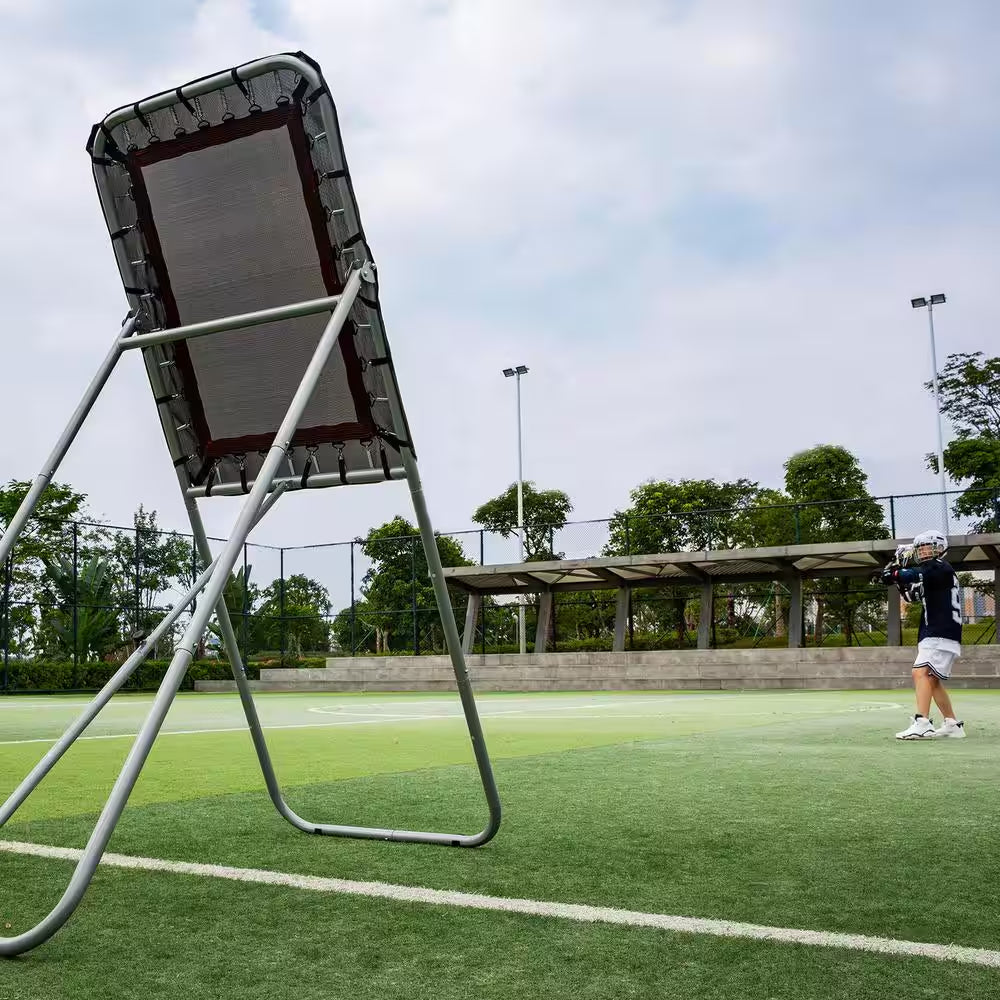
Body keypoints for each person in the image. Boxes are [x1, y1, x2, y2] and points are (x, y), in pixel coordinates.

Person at [879, 529, 966, 740]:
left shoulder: (939, 567)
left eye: (928, 547)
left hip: (939, 631)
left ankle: (922, 722)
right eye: (921, 548)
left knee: (920, 673)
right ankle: (952, 724)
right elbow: (912, 594)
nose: (924, 551)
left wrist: (895, 573)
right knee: (932, 679)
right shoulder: (935, 572)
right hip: (940, 631)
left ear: (940, 548)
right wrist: (897, 580)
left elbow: (912, 574)